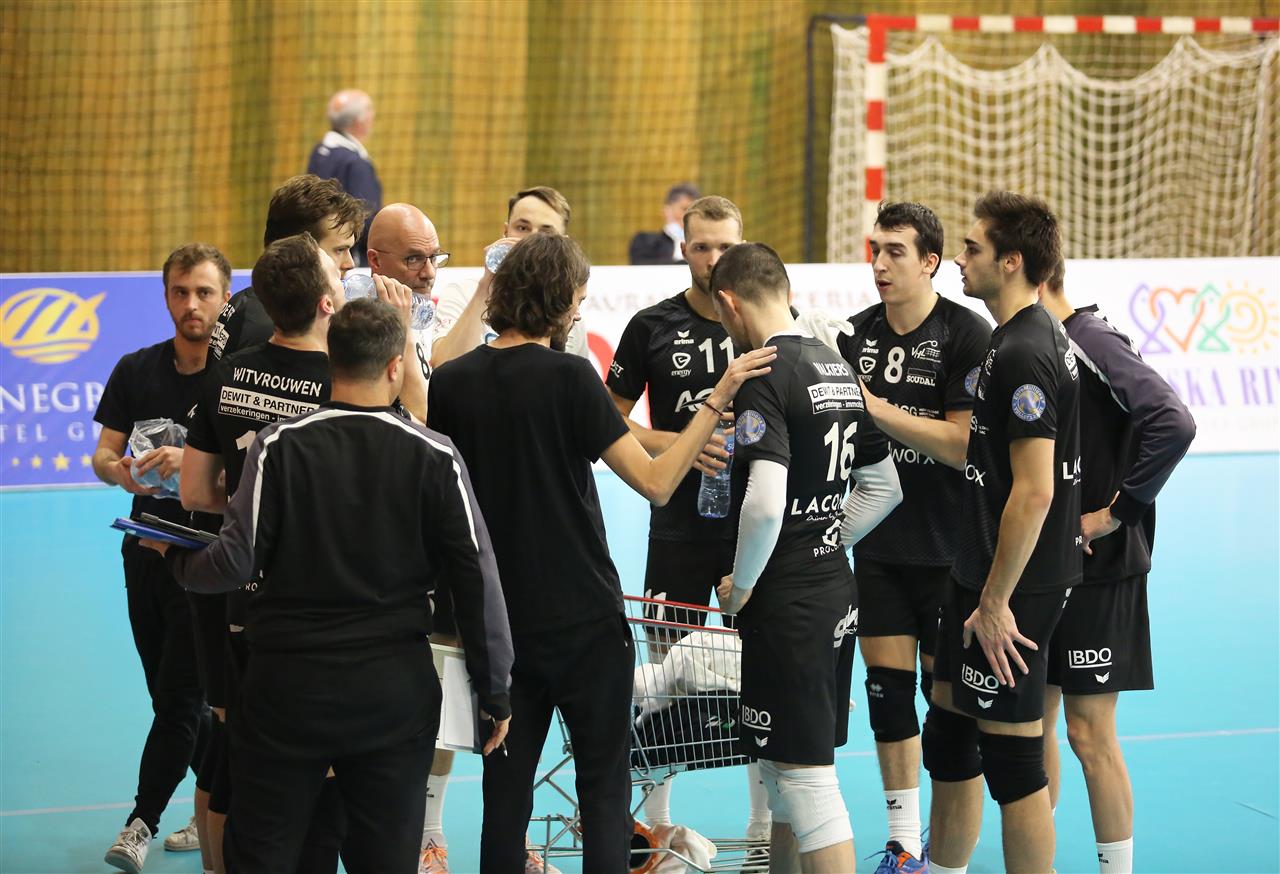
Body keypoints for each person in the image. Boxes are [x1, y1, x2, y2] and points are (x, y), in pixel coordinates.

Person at [426, 232, 775, 872]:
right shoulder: (570, 378)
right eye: (578, 301)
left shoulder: (449, 384)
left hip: (496, 626)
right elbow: (657, 482)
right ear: (559, 302)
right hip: (582, 618)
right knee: (604, 791)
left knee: (505, 798)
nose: (578, 313)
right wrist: (717, 398)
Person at [149, 297, 513, 874]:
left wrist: (176, 560)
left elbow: (234, 563)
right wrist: (495, 693)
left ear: (330, 361)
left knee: (266, 851)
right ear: (395, 366)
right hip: (391, 693)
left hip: (287, 687)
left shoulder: (277, 446)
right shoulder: (435, 454)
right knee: (385, 856)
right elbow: (477, 578)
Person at [181, 232, 419, 873]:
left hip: (246, 601)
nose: (346, 273)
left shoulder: (228, 372)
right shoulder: (346, 381)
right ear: (325, 303)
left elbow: (197, 493)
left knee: (244, 767)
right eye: (337, 271)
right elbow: (417, 442)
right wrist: (402, 338)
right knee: (335, 784)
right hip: (331, 610)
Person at [709, 242, 902, 874]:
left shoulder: (762, 372)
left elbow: (765, 504)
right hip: (832, 590)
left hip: (787, 604)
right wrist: (827, 539)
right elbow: (885, 486)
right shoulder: (835, 365)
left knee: (807, 781)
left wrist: (742, 587)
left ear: (730, 304)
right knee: (782, 775)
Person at [605, 195, 775, 842]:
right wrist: (678, 444)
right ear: (683, 250)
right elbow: (609, 420)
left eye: (724, 247)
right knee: (662, 674)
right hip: (677, 526)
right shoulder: (651, 326)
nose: (712, 259)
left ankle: (762, 826)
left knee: (757, 671)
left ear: (742, 247)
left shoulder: (764, 326)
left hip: (748, 528)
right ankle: (658, 828)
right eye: (701, 246)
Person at [832, 202, 991, 873]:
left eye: (895, 251)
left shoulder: (966, 333)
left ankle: (949, 861)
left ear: (930, 262)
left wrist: (874, 408)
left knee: (949, 722)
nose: (880, 263)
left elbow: (960, 444)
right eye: (875, 249)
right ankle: (904, 847)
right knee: (887, 700)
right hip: (878, 550)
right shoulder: (854, 335)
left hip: (952, 554)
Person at [923, 192, 1080, 874]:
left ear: (1011, 261)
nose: (959, 259)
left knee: (1014, 764)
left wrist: (995, 602)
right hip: (977, 570)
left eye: (972, 248)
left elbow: (1036, 489)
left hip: (1013, 588)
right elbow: (979, 456)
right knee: (949, 741)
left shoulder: (1026, 350)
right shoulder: (1010, 338)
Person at [1039, 261, 1195, 874]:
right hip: (1044, 565)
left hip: (1100, 569)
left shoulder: (1090, 339)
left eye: (975, 250)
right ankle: (1036, 860)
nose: (963, 263)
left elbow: (1174, 421)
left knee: (1088, 733)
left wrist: (1114, 514)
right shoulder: (1032, 342)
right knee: (1034, 724)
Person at [91, 243, 229, 874]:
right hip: (143, 547)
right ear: (166, 296)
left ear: (225, 298)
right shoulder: (136, 369)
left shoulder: (237, 379)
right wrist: (121, 471)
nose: (191, 304)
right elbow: (103, 455)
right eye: (180, 292)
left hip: (206, 560)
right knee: (169, 697)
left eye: (204, 292)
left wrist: (191, 462)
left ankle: (139, 823)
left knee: (178, 698)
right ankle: (218, 795)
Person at [210, 174, 367, 362]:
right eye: (340, 250)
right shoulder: (278, 331)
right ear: (298, 252)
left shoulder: (248, 302)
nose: (350, 263)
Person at [430, 186, 587, 371]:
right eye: (522, 228)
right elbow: (444, 371)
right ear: (505, 231)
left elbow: (573, 379)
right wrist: (485, 285)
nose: (531, 241)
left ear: (563, 243)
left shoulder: (568, 310)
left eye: (546, 233)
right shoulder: (464, 294)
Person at [307, 89, 382, 264]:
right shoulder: (356, 164)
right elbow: (366, 221)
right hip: (349, 261)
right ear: (359, 122)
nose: (372, 117)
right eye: (369, 111)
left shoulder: (320, 152)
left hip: (317, 254)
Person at [629, 182, 700, 265]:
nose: (689, 215)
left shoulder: (704, 245)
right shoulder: (645, 242)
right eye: (684, 209)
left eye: (694, 211)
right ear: (667, 210)